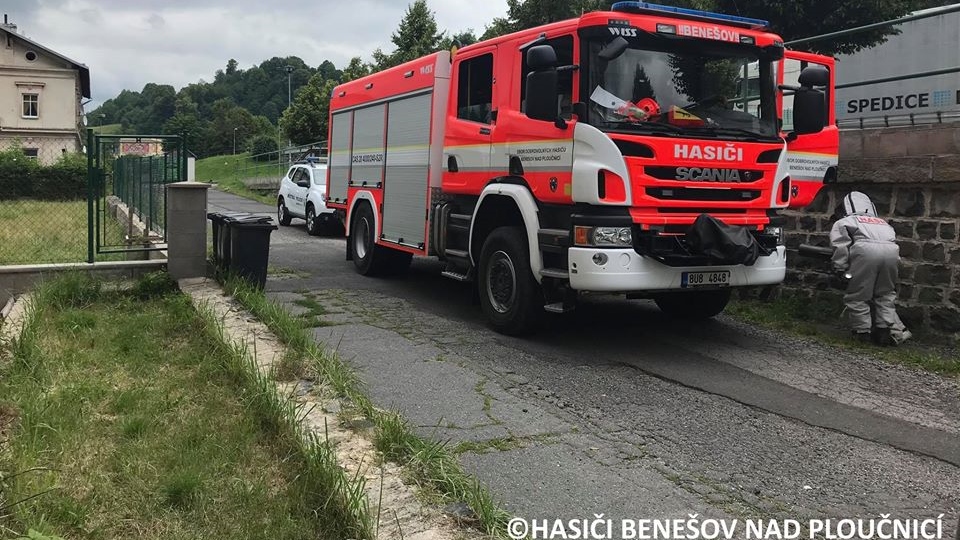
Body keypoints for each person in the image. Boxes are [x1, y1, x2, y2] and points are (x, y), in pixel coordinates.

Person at [829, 191, 912, 345]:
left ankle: (862, 334)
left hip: (864, 251)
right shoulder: (882, 222)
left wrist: (839, 268)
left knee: (858, 295)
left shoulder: (845, 222)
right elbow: (892, 242)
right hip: (891, 254)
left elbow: (840, 246)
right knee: (885, 294)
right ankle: (884, 333)